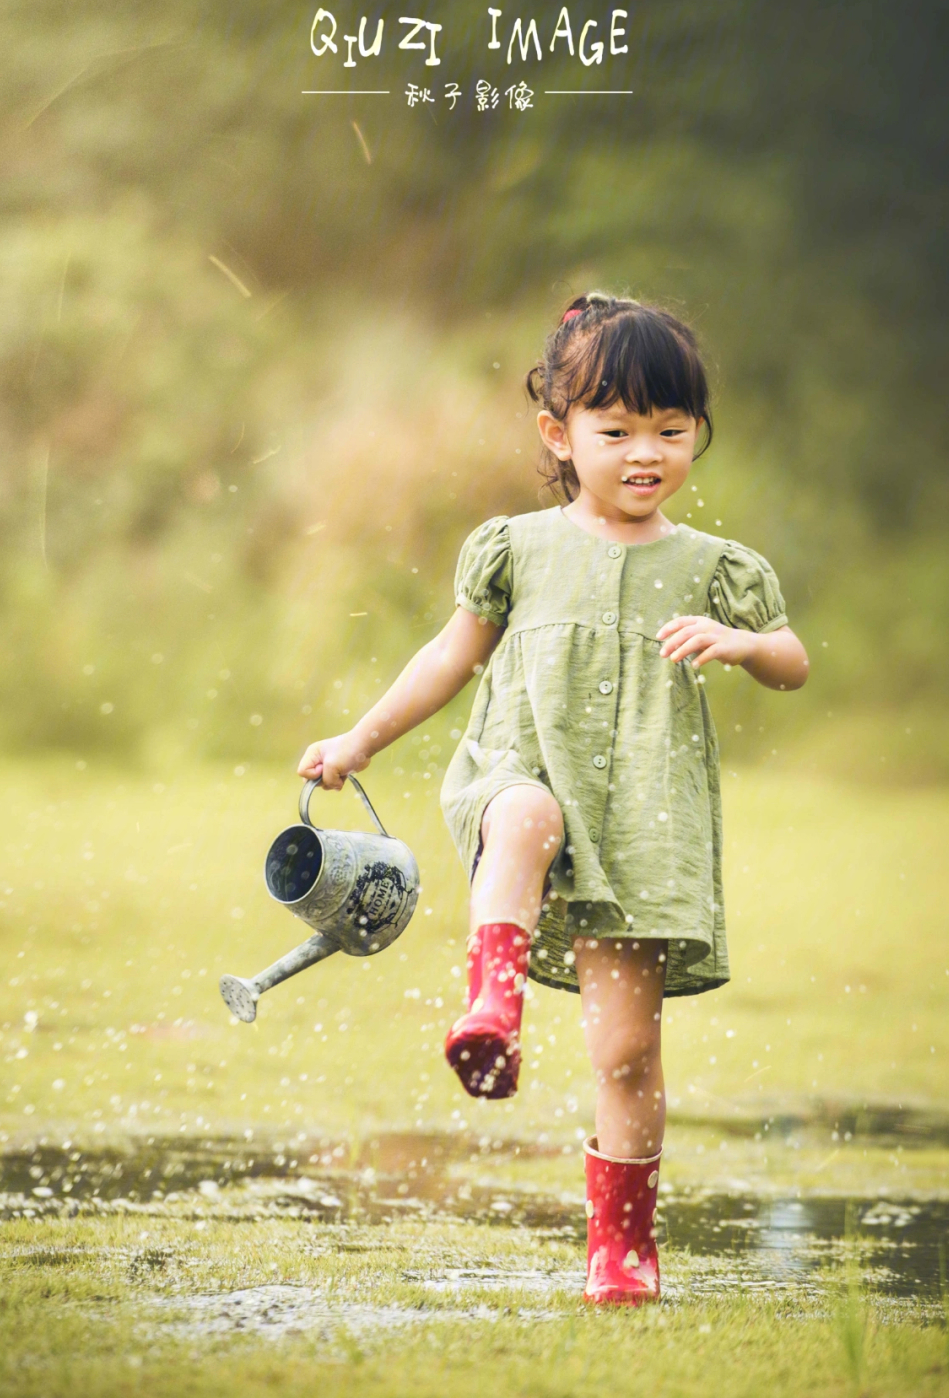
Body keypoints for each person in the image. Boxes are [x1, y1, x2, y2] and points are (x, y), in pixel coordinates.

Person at [298, 293, 809, 1304]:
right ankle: (493, 1000)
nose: (645, 451)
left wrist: (745, 645)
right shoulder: (517, 548)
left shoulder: (714, 568)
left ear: (697, 431)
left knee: (627, 1052)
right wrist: (359, 737)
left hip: (641, 822)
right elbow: (449, 656)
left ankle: (621, 1245)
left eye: (671, 429)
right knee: (526, 814)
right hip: (518, 774)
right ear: (560, 435)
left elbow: (792, 660)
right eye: (615, 430)